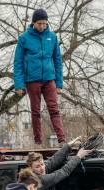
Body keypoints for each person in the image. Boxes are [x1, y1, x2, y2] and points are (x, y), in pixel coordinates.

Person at [14, 8, 65, 145]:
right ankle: (38, 141)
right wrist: (18, 84)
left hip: (49, 79)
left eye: (44, 23)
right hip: (32, 80)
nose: (42, 26)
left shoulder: (52, 37)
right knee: (35, 111)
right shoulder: (24, 38)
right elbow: (18, 62)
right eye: (39, 23)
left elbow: (57, 61)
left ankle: (62, 139)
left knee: (54, 109)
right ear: (33, 23)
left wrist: (59, 83)